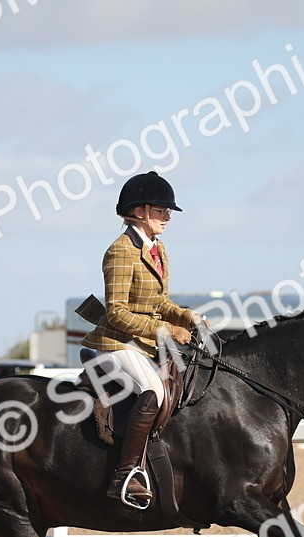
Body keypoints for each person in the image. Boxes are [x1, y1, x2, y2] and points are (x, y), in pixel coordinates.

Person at [81, 171, 202, 506]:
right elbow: (117, 312)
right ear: (139, 211)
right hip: (112, 345)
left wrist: (186, 317)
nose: (167, 217)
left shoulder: (157, 248)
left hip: (140, 343)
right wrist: (165, 330)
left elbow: (159, 302)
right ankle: (126, 474)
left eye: (167, 211)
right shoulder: (120, 251)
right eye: (161, 210)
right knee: (153, 391)